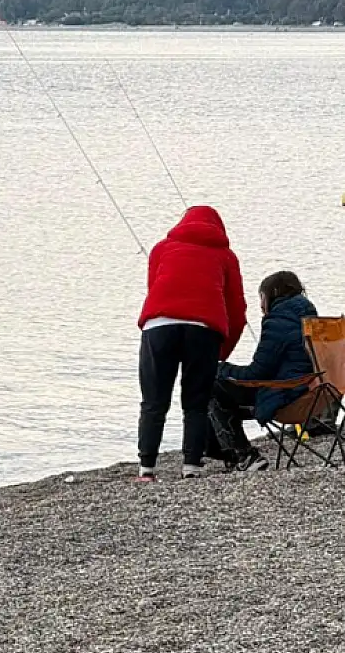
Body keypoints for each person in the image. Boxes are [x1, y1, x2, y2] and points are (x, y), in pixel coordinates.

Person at [136, 205, 246, 481]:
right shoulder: (226, 256)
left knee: (153, 401)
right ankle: (191, 467)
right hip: (204, 329)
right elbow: (237, 310)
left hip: (159, 325)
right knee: (196, 403)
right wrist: (222, 351)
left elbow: (155, 289)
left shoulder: (161, 249)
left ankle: (147, 468)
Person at [209, 270, 318, 471]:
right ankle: (225, 452)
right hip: (315, 395)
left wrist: (220, 368)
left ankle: (242, 455)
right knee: (220, 392)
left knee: (211, 386)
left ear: (273, 294)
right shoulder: (310, 318)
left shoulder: (278, 322)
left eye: (261, 297)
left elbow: (256, 373)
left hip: (287, 396)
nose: (260, 306)